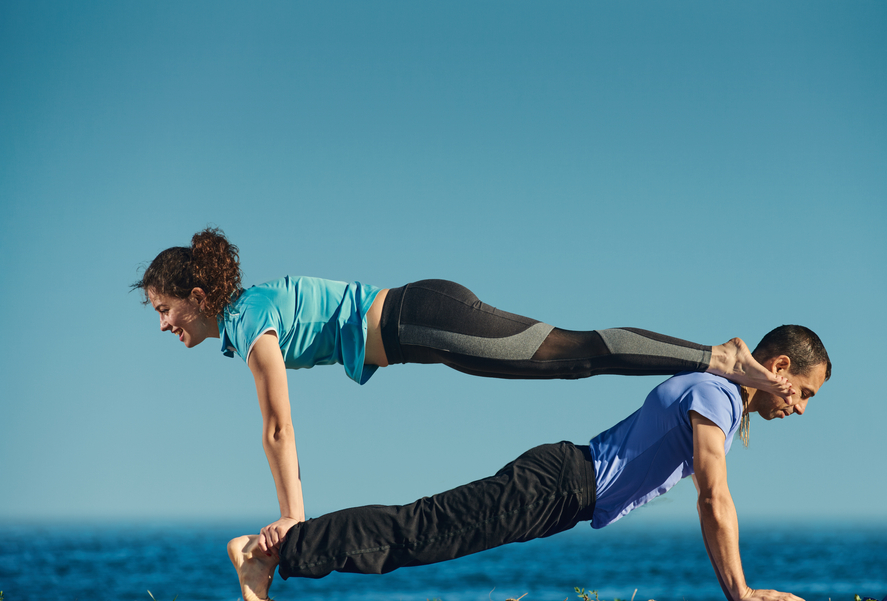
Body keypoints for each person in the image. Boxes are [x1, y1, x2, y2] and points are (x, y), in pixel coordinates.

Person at [133, 227, 796, 557]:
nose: (163, 325)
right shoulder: (247, 315)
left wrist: (295, 514)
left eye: (165, 310)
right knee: (569, 358)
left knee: (570, 354)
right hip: (422, 320)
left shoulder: (250, 320)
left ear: (197, 296)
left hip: (421, 317)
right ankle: (714, 354)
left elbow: (278, 426)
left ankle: (717, 355)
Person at [227, 325, 831, 601]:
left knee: (423, 530)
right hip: (558, 484)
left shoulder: (715, 392)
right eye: (802, 392)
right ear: (777, 367)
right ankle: (272, 551)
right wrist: (741, 594)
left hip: (560, 487)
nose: (800, 409)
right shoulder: (720, 397)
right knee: (419, 530)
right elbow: (713, 498)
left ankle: (283, 551)